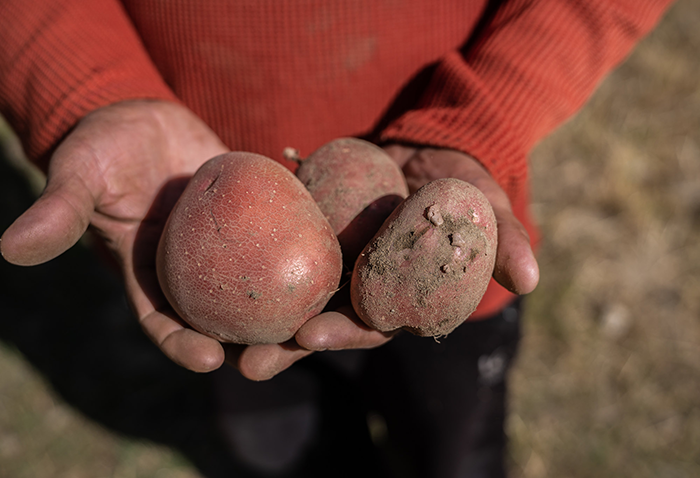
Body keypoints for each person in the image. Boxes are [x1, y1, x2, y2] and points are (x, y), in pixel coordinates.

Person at [0, 0, 674, 476]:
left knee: (453, 444)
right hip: (216, 249)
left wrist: (483, 115)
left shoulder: (425, 223)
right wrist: (91, 88)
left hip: (437, 163)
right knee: (284, 443)